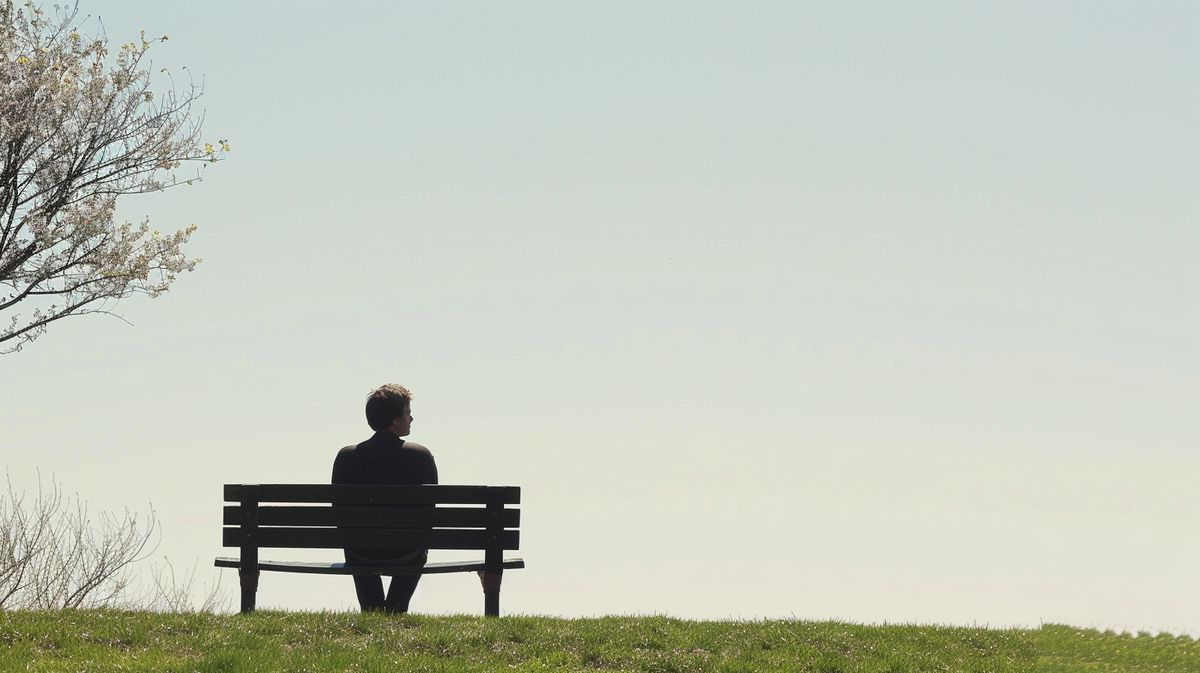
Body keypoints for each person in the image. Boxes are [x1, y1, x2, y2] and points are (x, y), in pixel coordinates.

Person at [332, 383, 438, 613]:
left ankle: (372, 610)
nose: (411, 419)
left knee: (356, 543)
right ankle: (396, 609)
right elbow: (429, 511)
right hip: (406, 554)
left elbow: (339, 511)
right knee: (417, 546)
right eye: (408, 413)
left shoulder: (345, 458)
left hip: (361, 553)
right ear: (395, 419)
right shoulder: (420, 456)